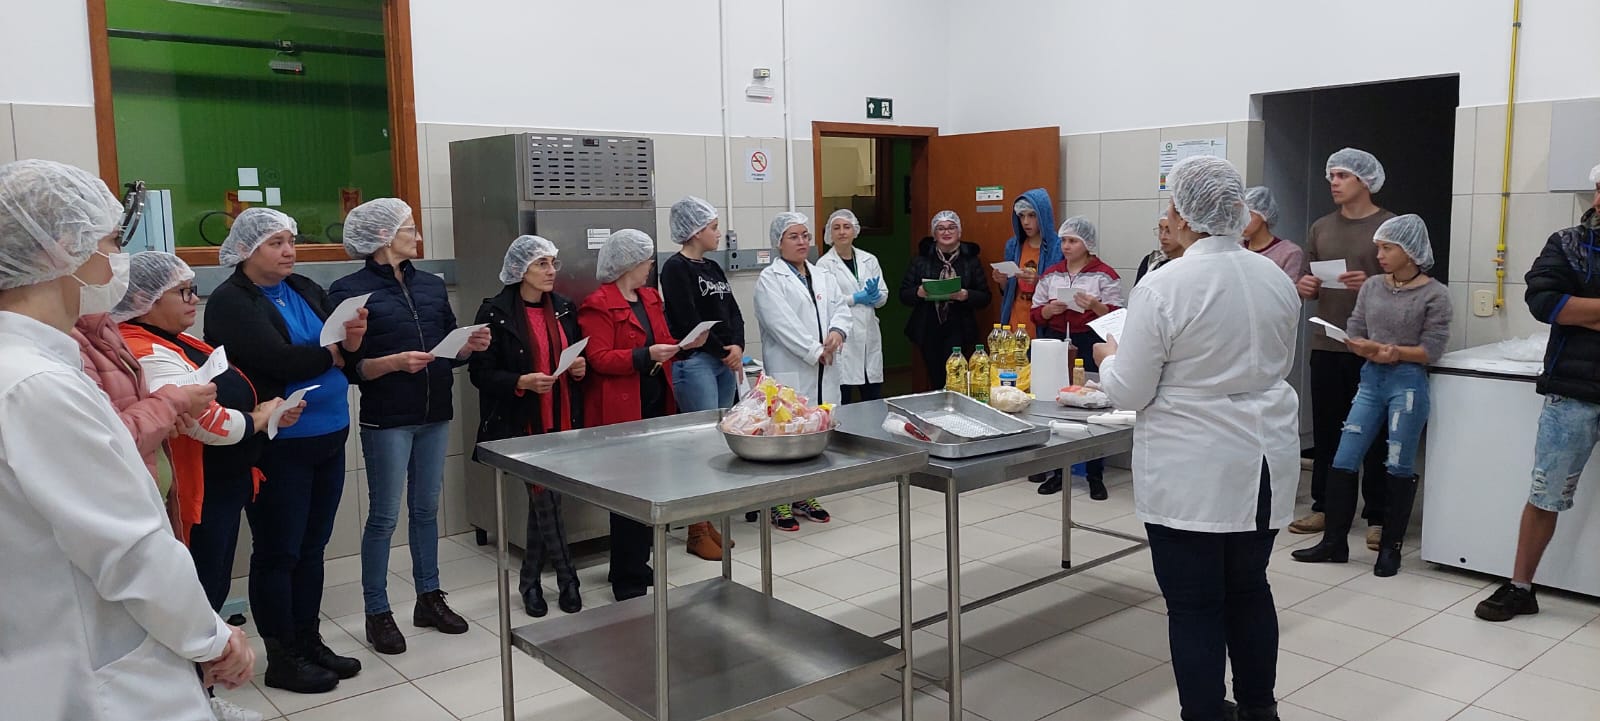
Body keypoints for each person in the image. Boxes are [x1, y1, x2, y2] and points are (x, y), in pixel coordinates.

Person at [0, 159, 253, 721]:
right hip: (99, 677)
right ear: (61, 249)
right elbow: (130, 549)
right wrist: (214, 640)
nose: (121, 260)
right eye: (113, 242)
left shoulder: (36, 366)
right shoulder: (36, 385)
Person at [1096, 155, 1300, 721]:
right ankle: (1259, 710)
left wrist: (1108, 357)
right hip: (1265, 458)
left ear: (1185, 217)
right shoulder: (1275, 277)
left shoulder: (1165, 285)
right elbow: (1275, 360)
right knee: (1250, 590)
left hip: (1194, 466)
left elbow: (1130, 390)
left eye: (1170, 208)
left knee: (1194, 606)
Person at [113, 251, 300, 721]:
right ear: (144, 299)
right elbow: (208, 425)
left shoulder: (177, 339)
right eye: (182, 292)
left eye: (193, 289)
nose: (193, 299)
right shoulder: (143, 348)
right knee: (197, 593)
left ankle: (203, 696)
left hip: (225, 481)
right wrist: (259, 419)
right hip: (195, 492)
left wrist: (261, 416)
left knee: (210, 588)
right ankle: (195, 698)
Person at [205, 207, 367, 694]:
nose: (289, 251)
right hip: (279, 445)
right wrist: (330, 354)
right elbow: (278, 361)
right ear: (246, 249)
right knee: (280, 550)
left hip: (328, 436)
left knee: (313, 547)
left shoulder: (304, 287)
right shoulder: (231, 301)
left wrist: (351, 343)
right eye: (275, 243)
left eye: (290, 241)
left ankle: (309, 640)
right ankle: (282, 655)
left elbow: (341, 350)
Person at [329, 198, 490, 654]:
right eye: (409, 229)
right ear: (383, 236)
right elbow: (352, 368)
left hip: (434, 411)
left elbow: (447, 348)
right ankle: (377, 611)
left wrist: (467, 346)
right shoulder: (348, 291)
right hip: (388, 418)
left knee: (425, 510)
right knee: (384, 516)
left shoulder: (432, 286)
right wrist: (394, 363)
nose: (417, 237)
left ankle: (429, 597)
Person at [1474, 163, 1600, 622]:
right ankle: (1521, 588)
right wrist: (1576, 310)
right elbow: (1545, 302)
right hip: (1572, 390)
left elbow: (1569, 307)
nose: (1599, 199)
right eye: (1599, 189)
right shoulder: (1567, 243)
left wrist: (1584, 311)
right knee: (1546, 491)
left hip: (1575, 382)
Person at [1292, 215, 1449, 577]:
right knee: (1344, 456)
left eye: (1387, 248)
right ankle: (1334, 542)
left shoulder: (1434, 294)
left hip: (1406, 385)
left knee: (1398, 462)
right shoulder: (1373, 286)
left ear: (1410, 251)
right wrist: (1360, 345)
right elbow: (1356, 327)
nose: (1379, 255)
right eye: (1379, 247)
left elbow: (1432, 349)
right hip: (1370, 380)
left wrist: (1395, 352)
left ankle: (1390, 548)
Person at [580, 229, 706, 599]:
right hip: (620, 410)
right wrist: (643, 355)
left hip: (654, 404)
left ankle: (637, 562)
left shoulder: (649, 297)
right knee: (626, 494)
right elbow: (599, 358)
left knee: (649, 489)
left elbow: (662, 340)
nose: (651, 265)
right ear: (628, 264)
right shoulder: (598, 304)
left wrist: (684, 346)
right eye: (646, 260)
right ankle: (627, 577)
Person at [471, 235, 587, 617]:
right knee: (545, 498)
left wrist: (579, 368)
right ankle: (568, 579)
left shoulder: (564, 308)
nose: (551, 271)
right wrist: (520, 381)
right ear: (521, 269)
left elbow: (574, 357)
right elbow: (480, 374)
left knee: (546, 500)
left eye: (553, 263)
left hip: (562, 418)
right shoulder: (495, 313)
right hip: (523, 423)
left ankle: (530, 581)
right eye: (542, 264)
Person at [1292, 148, 1397, 548]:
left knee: (1375, 433)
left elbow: (1411, 281)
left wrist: (1370, 283)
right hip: (1328, 341)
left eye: (1342, 175)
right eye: (1331, 176)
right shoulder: (1321, 227)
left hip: (1375, 346)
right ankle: (1327, 506)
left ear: (1365, 181)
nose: (1333, 182)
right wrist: (1305, 286)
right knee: (1328, 430)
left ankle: (1379, 515)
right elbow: (1308, 278)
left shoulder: (1389, 226)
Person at [755, 211, 850, 530]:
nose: (802, 242)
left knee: (814, 435)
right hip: (792, 369)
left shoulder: (822, 275)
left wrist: (837, 332)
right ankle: (779, 500)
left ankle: (805, 494)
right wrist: (815, 351)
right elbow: (782, 324)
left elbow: (841, 309)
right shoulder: (770, 279)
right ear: (778, 242)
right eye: (793, 236)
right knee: (786, 435)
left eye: (805, 236)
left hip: (825, 369)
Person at [659, 196, 741, 561]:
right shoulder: (675, 269)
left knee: (719, 443)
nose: (718, 233)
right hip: (696, 363)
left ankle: (708, 521)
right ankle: (695, 529)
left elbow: (732, 310)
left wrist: (737, 345)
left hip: (723, 361)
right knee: (700, 446)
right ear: (694, 232)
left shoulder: (712, 267)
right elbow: (688, 320)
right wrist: (724, 350)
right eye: (713, 227)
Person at [1031, 216, 1124, 498]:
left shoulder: (1104, 274)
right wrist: (1049, 311)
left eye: (1073, 241)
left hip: (1090, 342)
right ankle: (1058, 471)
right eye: (1064, 241)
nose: (1066, 246)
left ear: (1087, 244)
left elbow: (1117, 315)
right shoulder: (1051, 274)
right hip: (1057, 342)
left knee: (1092, 404)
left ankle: (1095, 474)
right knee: (1057, 402)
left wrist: (1095, 305)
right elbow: (1036, 311)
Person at [901, 210, 992, 390]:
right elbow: (903, 294)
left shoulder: (971, 261)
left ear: (959, 232)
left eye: (951, 228)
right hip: (928, 327)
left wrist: (966, 295)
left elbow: (985, 297)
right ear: (934, 234)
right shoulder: (920, 260)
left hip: (960, 326)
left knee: (956, 378)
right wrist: (918, 292)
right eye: (941, 228)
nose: (946, 232)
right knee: (936, 377)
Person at [818, 208, 888, 403]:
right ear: (830, 233)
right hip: (843, 337)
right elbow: (826, 302)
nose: (842, 232)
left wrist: (875, 297)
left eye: (846, 227)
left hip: (869, 334)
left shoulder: (869, 260)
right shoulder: (824, 264)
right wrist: (854, 298)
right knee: (844, 397)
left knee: (872, 396)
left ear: (854, 230)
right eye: (836, 228)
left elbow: (884, 295)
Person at [994, 189, 1063, 329]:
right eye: (1021, 216)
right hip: (1014, 322)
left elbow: (1065, 291)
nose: (1025, 222)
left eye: (1032, 215)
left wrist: (1039, 281)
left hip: (1043, 326)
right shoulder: (1013, 246)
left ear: (1043, 216)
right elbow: (1009, 290)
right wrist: (1002, 281)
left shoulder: (1058, 247)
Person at [1242, 187, 1305, 280]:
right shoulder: (1236, 248)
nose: (1241, 221)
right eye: (1238, 215)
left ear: (1265, 214)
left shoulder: (1289, 253)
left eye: (1248, 215)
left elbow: (1290, 287)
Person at [1136, 213, 1181, 285]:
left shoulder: (1189, 264)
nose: (1162, 237)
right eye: (1160, 230)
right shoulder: (1151, 260)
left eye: (1169, 231)